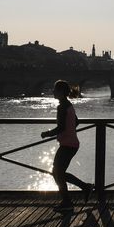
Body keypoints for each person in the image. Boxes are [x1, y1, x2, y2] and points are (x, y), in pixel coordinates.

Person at [41, 80, 94, 212]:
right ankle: (84, 188)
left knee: (57, 173)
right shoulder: (68, 104)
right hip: (72, 143)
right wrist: (70, 131)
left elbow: (61, 127)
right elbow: (76, 121)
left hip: (68, 145)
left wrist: (46, 134)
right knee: (58, 173)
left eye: (55, 90)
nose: (53, 92)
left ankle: (68, 201)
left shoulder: (62, 107)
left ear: (60, 92)